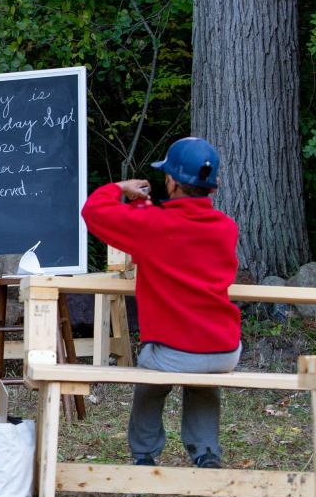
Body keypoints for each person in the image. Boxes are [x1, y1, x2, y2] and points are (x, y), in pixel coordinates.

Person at [81, 136, 241, 468]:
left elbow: (94, 212)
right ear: (214, 186)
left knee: (150, 379)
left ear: (171, 181)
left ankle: (144, 455)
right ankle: (206, 453)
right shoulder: (226, 228)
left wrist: (120, 188)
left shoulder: (154, 225)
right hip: (224, 350)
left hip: (173, 351)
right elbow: (170, 242)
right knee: (202, 381)